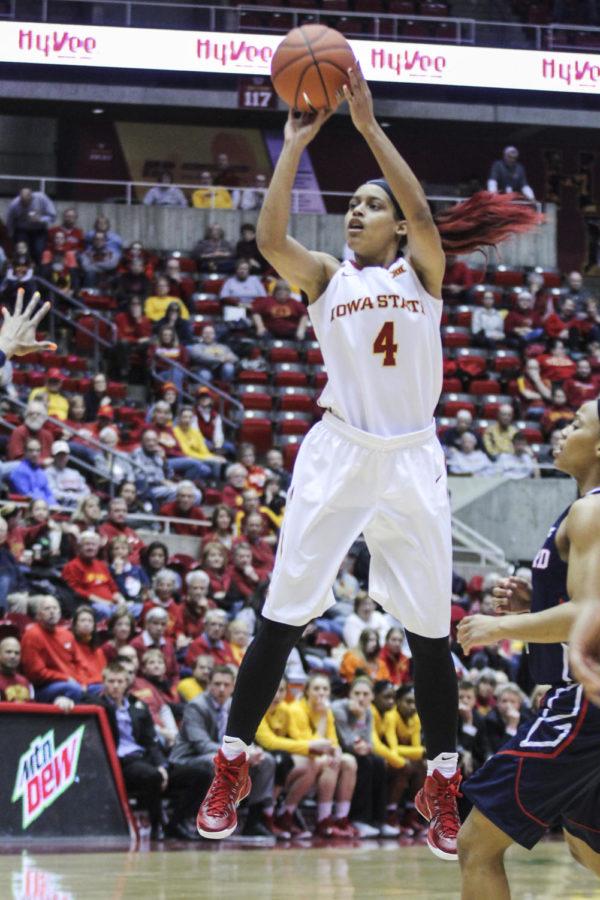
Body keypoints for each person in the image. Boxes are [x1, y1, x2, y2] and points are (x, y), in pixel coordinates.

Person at [196, 66, 541, 856]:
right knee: (282, 614)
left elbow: (422, 209)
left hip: (413, 459)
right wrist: (291, 148)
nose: (357, 212)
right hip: (339, 453)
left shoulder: (423, 276)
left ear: (395, 226)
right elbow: (270, 239)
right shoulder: (325, 279)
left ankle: (442, 778)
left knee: (427, 633)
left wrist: (370, 127)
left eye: (369, 205)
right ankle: (232, 762)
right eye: (351, 204)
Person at [456, 398, 600, 896]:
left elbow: (588, 613)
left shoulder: (592, 510)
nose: (564, 429)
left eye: (578, 424)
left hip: (582, 702)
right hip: (581, 696)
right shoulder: (580, 508)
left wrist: (499, 629)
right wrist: (535, 602)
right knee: (587, 847)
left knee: (476, 843)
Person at [170, 665, 279, 838]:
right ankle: (201, 819)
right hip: (188, 759)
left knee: (267, 761)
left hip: (221, 756)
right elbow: (202, 744)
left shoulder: (234, 706)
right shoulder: (196, 706)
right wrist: (239, 755)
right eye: (217, 684)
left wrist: (252, 751)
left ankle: (254, 821)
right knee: (212, 762)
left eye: (226, 685)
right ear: (209, 685)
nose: (221, 689)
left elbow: (248, 738)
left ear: (233, 686)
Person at [332, 676, 400, 837]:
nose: (361, 698)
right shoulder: (338, 708)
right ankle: (359, 819)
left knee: (378, 762)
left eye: (365, 694)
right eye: (357, 693)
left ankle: (379, 821)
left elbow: (369, 741)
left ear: (371, 697)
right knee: (364, 763)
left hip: (359, 752)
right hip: (341, 751)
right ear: (349, 694)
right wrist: (358, 718)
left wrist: (364, 745)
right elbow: (347, 741)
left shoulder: (369, 711)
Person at [20, 595, 88, 702]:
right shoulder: (32, 635)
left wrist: (83, 682)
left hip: (72, 682)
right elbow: (36, 674)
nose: (52, 612)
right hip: (44, 687)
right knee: (74, 689)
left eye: (55, 608)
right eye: (47, 609)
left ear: (60, 612)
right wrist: (65, 678)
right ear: (38, 614)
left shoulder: (67, 635)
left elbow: (79, 662)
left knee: (99, 689)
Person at [62, 531, 125, 620]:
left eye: (93, 545)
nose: (91, 547)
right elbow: (75, 590)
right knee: (105, 610)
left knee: (137, 608)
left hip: (111, 604)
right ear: (79, 547)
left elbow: (113, 588)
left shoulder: (102, 565)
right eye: (87, 544)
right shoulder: (72, 566)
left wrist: (121, 600)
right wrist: (102, 601)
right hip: (89, 605)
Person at [6, 187, 56, 263]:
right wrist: (10, 234)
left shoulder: (41, 198)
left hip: (39, 229)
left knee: (39, 250)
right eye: (23, 202)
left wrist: (40, 219)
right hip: (22, 230)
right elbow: (10, 220)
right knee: (21, 251)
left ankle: (38, 271)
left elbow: (53, 215)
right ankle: (21, 270)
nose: (25, 206)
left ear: (31, 197)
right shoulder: (14, 204)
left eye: (27, 202)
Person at [9, 437, 56, 504]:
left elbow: (49, 494)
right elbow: (27, 496)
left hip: (44, 507)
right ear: (25, 452)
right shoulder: (18, 471)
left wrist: (54, 505)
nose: (35, 454)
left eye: (37, 450)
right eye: (31, 450)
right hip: (28, 508)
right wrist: (47, 504)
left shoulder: (41, 472)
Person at [45, 440, 90, 508]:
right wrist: (75, 497)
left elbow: (86, 490)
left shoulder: (75, 473)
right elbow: (53, 493)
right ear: (54, 457)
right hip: (60, 508)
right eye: (59, 455)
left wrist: (80, 498)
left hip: (78, 507)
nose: (62, 458)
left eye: (64, 455)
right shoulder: (49, 472)